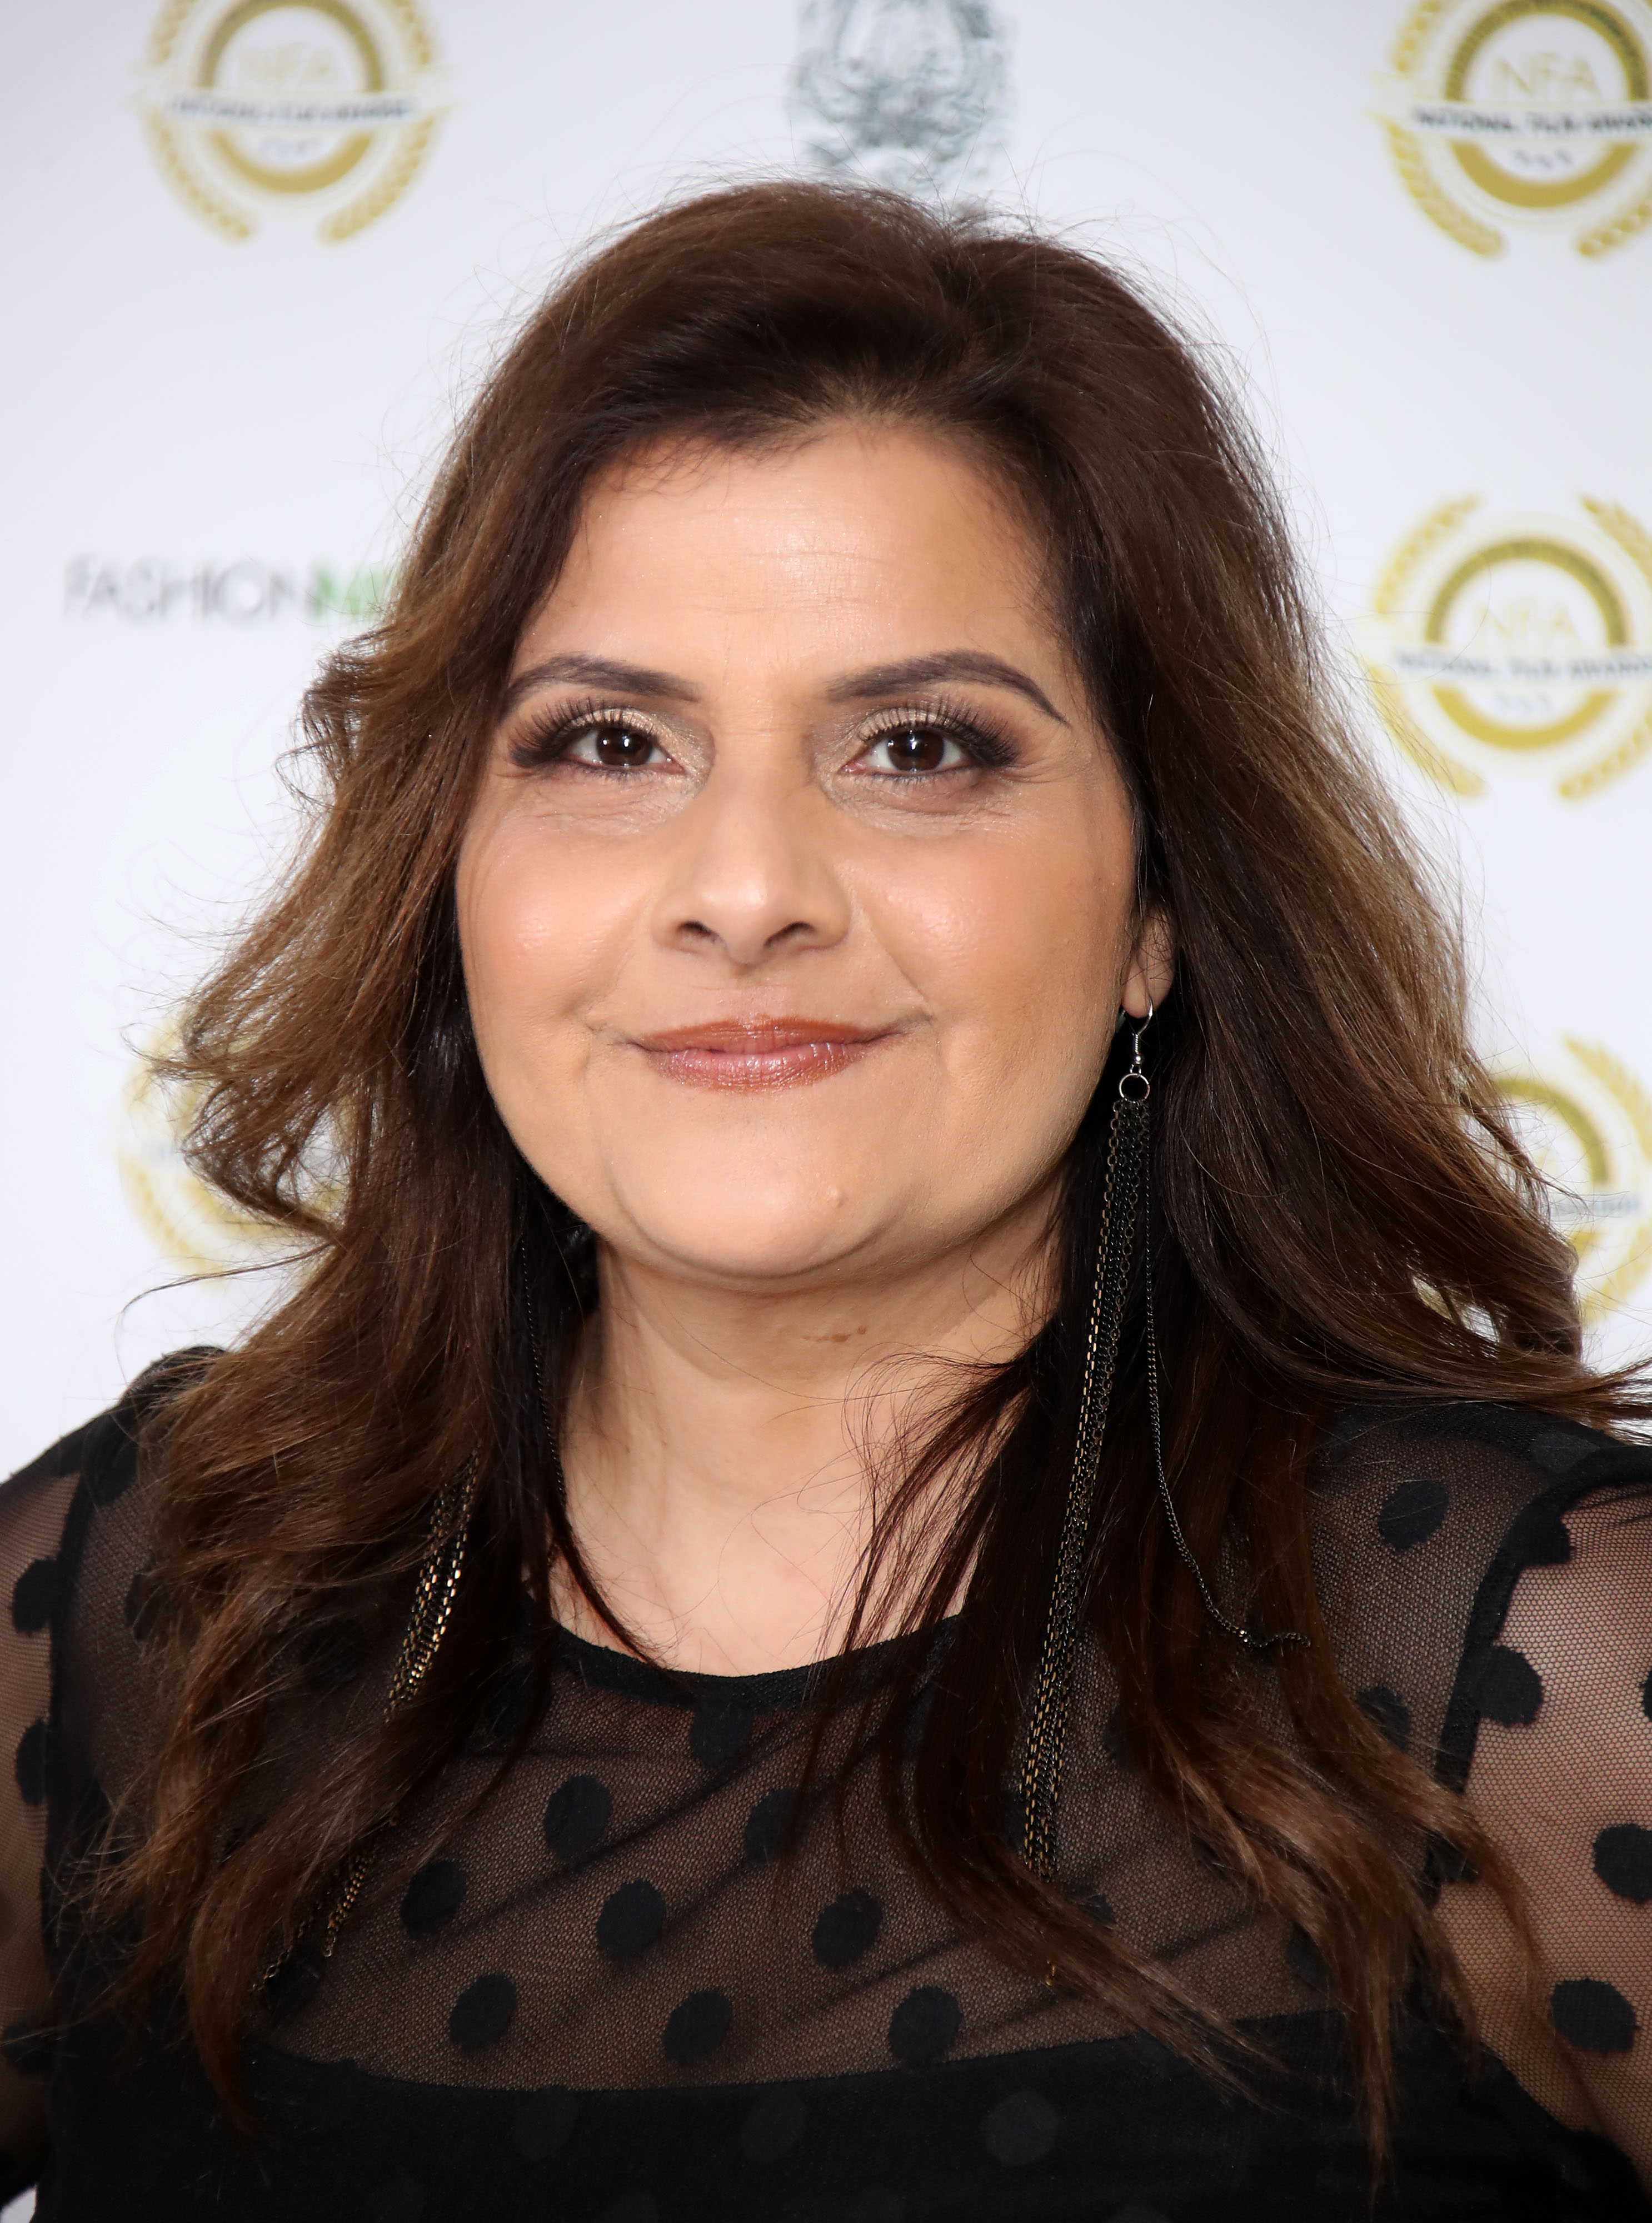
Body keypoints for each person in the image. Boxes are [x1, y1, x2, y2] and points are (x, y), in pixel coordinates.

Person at [3, 180, 1650, 2223]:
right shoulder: (160, 1599)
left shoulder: (1511, 1664)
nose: (748, 883)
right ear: (452, 865)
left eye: (919, 746)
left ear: (1157, 902)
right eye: (609, 742)